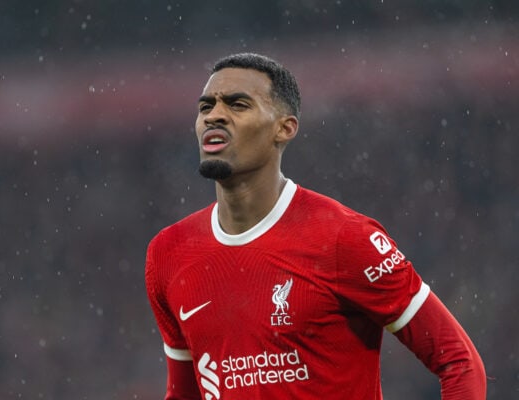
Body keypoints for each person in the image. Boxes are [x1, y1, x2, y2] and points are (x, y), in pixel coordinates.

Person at [145, 53, 486, 399]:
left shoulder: (344, 237)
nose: (214, 115)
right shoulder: (169, 252)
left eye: (237, 104)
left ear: (284, 128)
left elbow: (458, 360)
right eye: (205, 107)